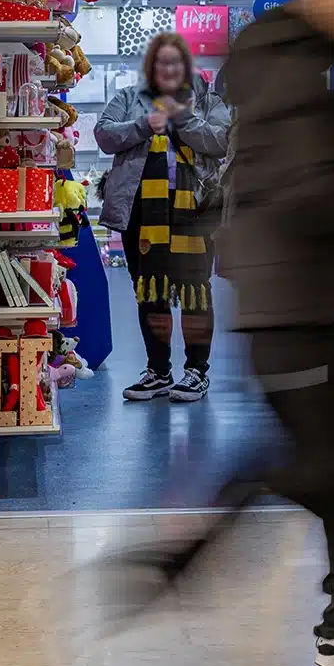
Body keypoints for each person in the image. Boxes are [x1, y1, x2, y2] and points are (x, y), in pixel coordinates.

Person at [104, 0, 334, 666]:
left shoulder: (287, 66)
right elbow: (309, 201)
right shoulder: (299, 79)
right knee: (329, 474)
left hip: (293, 305)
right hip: (295, 309)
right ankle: (210, 554)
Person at [95, 32, 231, 404]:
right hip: (141, 211)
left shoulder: (207, 101)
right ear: (151, 66)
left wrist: (183, 119)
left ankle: (196, 372)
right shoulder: (128, 98)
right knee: (149, 290)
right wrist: (143, 125)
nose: (168, 68)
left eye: (174, 61)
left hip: (194, 211)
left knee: (195, 291)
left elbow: (221, 141)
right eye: (160, 62)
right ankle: (158, 371)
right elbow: (104, 134)